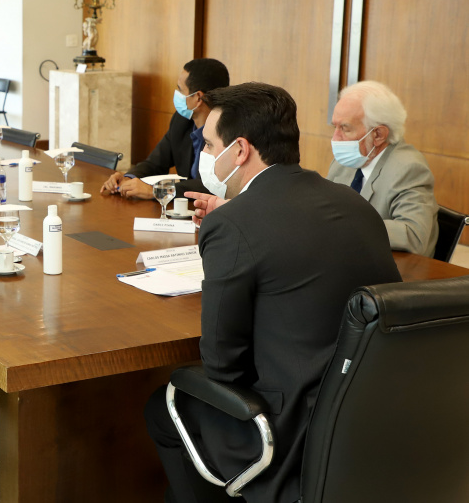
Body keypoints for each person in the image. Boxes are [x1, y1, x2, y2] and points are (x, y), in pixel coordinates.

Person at [144, 83, 402, 503]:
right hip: (371, 419)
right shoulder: (355, 205)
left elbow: (221, 364)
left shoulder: (233, 226)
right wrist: (234, 219)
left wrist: (229, 227)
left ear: (240, 150)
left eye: (210, 145)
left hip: (285, 434)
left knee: (163, 408)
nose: (204, 155)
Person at [326, 80, 438, 256]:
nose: (335, 138)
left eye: (345, 129)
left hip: (394, 275)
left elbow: (414, 235)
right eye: (335, 127)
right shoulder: (344, 163)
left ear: (378, 134)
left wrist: (344, 225)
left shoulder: (409, 169)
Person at [101, 58, 229, 199]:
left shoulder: (228, 133)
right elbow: (155, 163)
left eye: (180, 89)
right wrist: (129, 178)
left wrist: (156, 190)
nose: (176, 94)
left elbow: (212, 186)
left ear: (198, 98)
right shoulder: (181, 122)